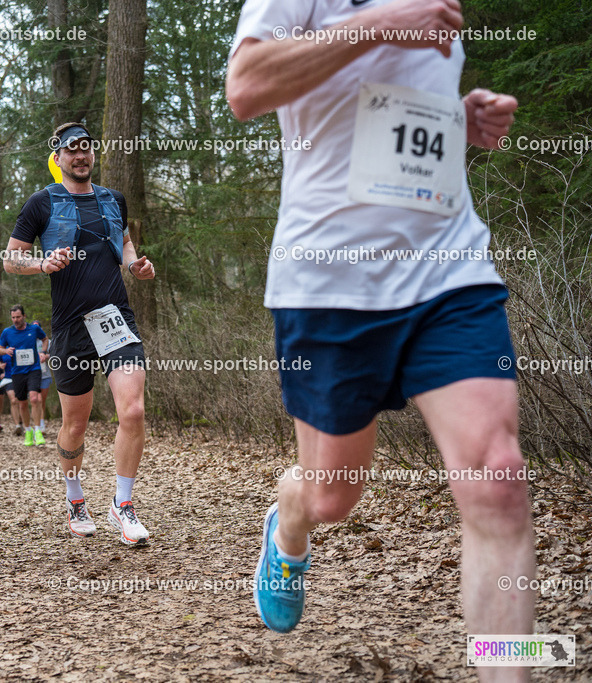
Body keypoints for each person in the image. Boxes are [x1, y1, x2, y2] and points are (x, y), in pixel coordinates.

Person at [226, 0, 535, 673]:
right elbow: (247, 86)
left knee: (499, 478)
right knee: (332, 495)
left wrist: (460, 118)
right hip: (330, 281)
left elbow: (390, 105)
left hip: (448, 267)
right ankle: (291, 512)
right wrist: (386, 21)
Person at [3, 122, 156, 545]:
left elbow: (123, 244)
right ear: (59, 158)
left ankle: (122, 505)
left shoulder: (113, 200)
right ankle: (75, 500)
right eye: (72, 150)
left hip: (114, 317)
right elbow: (11, 260)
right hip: (71, 326)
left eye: (86, 148)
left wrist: (135, 264)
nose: (81, 155)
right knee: (75, 424)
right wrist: (42, 265)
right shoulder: (41, 203)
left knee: (134, 411)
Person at [0, 305, 49, 446]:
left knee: (34, 398)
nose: (16, 320)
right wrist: (6, 351)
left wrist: (43, 353)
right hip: (17, 372)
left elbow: (45, 339)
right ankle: (28, 431)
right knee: (22, 403)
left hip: (34, 369)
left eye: (18, 317)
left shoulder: (34, 329)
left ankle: (38, 430)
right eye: (13, 317)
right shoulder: (7, 332)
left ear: (24, 316)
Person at [34, 320, 54, 432]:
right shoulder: (28, 340)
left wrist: (46, 357)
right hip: (32, 374)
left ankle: (41, 423)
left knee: (42, 400)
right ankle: (38, 424)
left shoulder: (48, 342)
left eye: (38, 327)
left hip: (45, 374)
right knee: (36, 399)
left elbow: (55, 355)